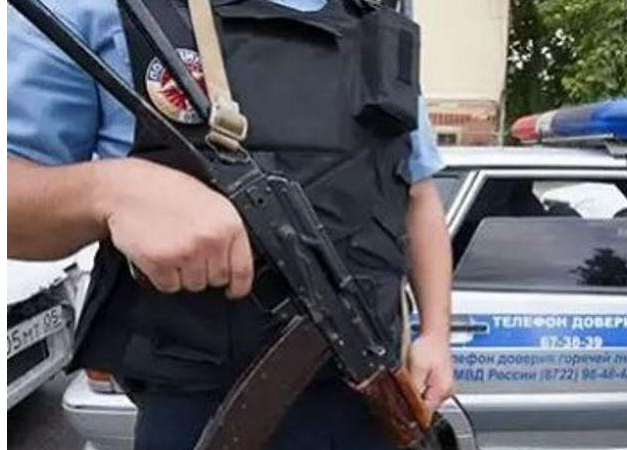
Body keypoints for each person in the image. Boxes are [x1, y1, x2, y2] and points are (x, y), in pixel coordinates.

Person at [7, 1, 454, 449]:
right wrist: (109, 191)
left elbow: (416, 194)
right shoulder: (95, 8)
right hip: (203, 415)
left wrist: (436, 335)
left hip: (376, 401)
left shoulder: (377, 22)